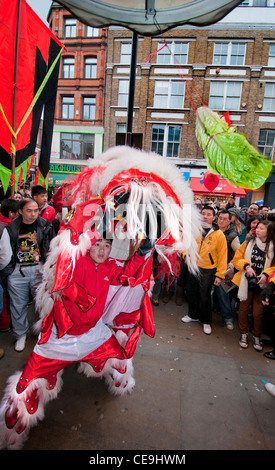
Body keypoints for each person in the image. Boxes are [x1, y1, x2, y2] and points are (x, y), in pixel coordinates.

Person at [0, 235, 155, 449]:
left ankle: (119, 381)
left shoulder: (109, 266)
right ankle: (12, 430)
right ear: (87, 247)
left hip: (93, 334)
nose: (102, 250)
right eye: (97, 245)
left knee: (119, 356)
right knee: (28, 385)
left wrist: (140, 254)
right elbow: (67, 251)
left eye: (107, 245)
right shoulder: (75, 263)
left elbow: (127, 275)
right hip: (59, 338)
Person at [0, 199, 55, 352]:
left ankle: (43, 333)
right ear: (20, 211)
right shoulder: (11, 228)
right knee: (17, 305)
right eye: (29, 211)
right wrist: (10, 271)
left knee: (43, 304)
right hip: (18, 270)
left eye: (36, 210)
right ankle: (20, 334)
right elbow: (6, 252)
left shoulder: (45, 225)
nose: (33, 214)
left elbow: (51, 247)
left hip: (39, 269)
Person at [181, 204, 228, 335]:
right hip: (193, 266)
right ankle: (192, 315)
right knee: (191, 292)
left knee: (205, 296)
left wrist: (220, 275)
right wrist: (186, 255)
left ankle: (206, 321)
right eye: (203, 213)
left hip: (208, 269)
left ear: (214, 217)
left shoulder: (219, 235)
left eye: (209, 214)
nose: (205, 217)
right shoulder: (194, 229)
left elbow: (223, 256)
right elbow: (186, 244)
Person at [231, 220, 275, 351]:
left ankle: (256, 335)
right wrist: (246, 266)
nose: (258, 230)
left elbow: (273, 267)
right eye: (258, 227)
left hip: (262, 284)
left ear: (269, 231)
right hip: (246, 281)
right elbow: (237, 259)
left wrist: (266, 275)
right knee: (243, 308)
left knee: (258, 313)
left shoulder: (273, 246)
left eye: (262, 228)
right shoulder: (249, 242)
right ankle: (243, 333)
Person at [212, 209, 240, 330]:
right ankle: (214, 309)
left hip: (223, 268)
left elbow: (239, 253)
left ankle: (228, 318)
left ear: (230, 221)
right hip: (209, 265)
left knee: (222, 292)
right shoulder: (212, 230)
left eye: (225, 219)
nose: (221, 221)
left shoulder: (233, 236)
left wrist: (231, 264)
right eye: (220, 218)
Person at [0, 199, 20, 332]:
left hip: (5, 267)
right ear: (11, 213)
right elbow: (5, 255)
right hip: (5, 268)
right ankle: (6, 323)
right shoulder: (6, 227)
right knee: (7, 297)